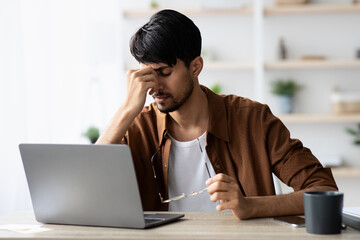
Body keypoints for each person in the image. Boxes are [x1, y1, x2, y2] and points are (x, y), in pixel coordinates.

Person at [96, 9, 337, 219]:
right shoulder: (137, 125)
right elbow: (89, 193)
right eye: (146, 75)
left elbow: (324, 191)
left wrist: (250, 206)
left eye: (165, 72)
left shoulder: (253, 119)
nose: (154, 87)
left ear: (195, 67)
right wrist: (127, 110)